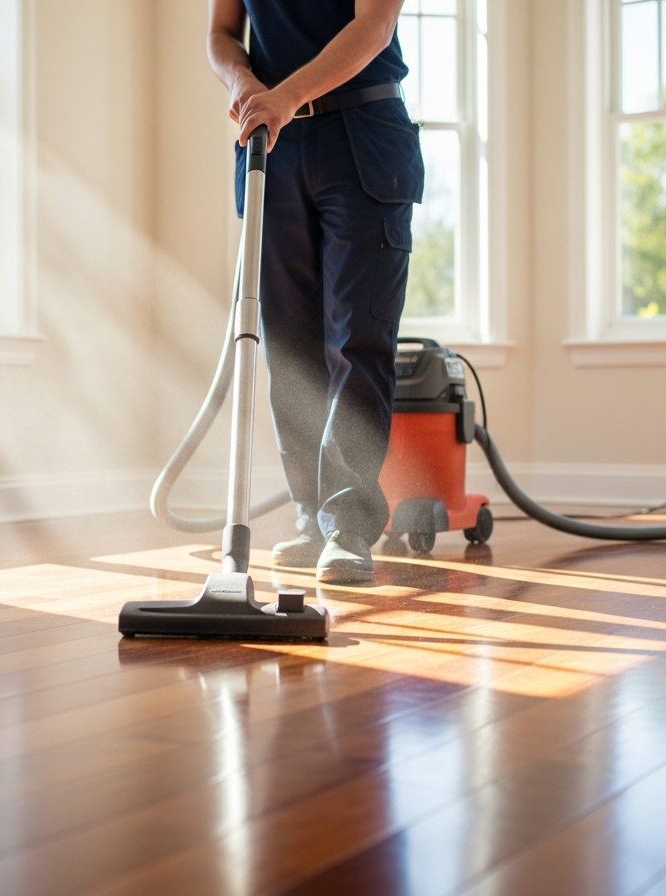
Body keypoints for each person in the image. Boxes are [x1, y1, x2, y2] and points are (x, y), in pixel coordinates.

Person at [207, 0, 423, 584]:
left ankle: (349, 524)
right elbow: (222, 33)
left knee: (356, 340)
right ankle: (312, 518)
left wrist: (285, 95)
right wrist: (245, 82)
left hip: (362, 136)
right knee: (287, 346)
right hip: (275, 144)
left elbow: (374, 26)